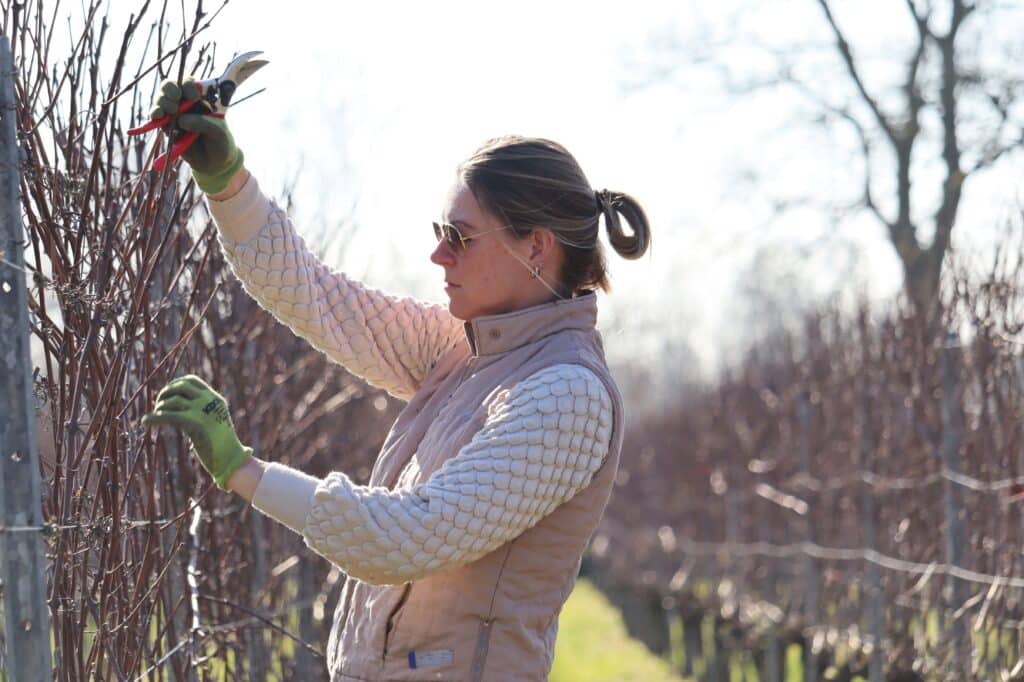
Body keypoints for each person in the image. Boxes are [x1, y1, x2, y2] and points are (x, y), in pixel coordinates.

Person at [142, 79, 651, 681]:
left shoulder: (567, 396)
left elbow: (406, 536)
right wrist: (227, 182)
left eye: (459, 238)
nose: (440, 256)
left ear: (535, 248)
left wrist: (243, 470)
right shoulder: (463, 351)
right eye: (440, 235)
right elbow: (313, 296)